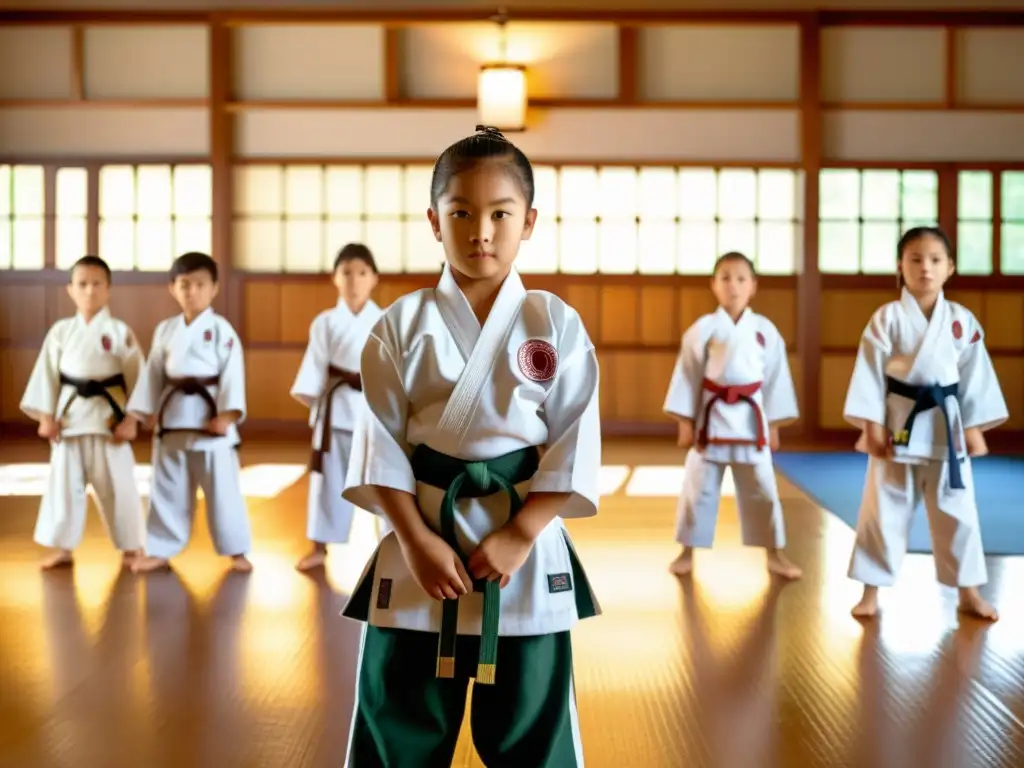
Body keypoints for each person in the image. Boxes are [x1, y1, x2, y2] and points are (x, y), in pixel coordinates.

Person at [340, 126, 601, 767]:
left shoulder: (555, 323)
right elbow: (378, 445)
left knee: (532, 738)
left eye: (499, 214)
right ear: (434, 220)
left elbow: (574, 443)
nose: (480, 231)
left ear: (529, 221)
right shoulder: (400, 325)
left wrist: (523, 532)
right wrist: (414, 539)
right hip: (419, 539)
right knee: (396, 728)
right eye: (461, 212)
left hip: (522, 544)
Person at [843, 226, 1006, 620]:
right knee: (883, 510)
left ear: (950, 267)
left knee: (959, 511)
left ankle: (968, 593)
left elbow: (974, 376)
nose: (925, 268)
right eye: (915, 259)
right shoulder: (887, 318)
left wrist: (973, 427)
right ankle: (871, 592)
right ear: (900, 266)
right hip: (898, 421)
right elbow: (869, 373)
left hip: (946, 426)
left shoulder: (961, 321)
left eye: (935, 260)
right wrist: (872, 426)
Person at [664, 251, 803, 580]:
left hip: (752, 422)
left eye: (741, 279)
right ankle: (687, 550)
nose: (733, 285)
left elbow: (775, 381)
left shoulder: (765, 331)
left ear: (753, 286)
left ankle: (775, 554)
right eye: (725, 278)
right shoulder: (703, 329)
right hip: (710, 422)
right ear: (714, 285)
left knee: (764, 490)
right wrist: (686, 422)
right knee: (698, 489)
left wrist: (774, 424)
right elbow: (687, 376)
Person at [125, 251, 253, 574]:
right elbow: (153, 374)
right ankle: (160, 549)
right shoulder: (165, 330)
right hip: (172, 422)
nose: (191, 291)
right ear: (172, 288)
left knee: (223, 491)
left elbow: (233, 374)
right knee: (165, 489)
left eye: (199, 284)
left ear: (214, 288)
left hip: (211, 424)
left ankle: (236, 550)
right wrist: (144, 412)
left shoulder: (222, 331)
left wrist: (227, 415)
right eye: (184, 284)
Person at [20, 255, 146, 569]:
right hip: (69, 421)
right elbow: (46, 376)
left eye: (97, 284)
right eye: (82, 284)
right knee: (64, 487)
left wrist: (132, 420)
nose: (90, 291)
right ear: (70, 290)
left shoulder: (119, 332)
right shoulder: (61, 332)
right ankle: (62, 548)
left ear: (108, 290)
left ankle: (132, 547)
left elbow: (139, 379)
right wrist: (46, 417)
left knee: (120, 486)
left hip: (109, 422)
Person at [290, 243, 384, 571]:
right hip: (335, 410)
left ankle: (393, 545)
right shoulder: (325, 323)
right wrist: (316, 404)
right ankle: (319, 547)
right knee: (327, 481)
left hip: (375, 414)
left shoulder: (386, 320)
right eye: (347, 273)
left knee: (386, 482)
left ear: (374, 279)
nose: (354, 281)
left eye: (362, 273)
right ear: (335, 278)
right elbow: (315, 366)